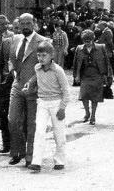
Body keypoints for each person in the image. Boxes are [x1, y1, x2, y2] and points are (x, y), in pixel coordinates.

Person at [8, 13, 47, 166]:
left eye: (28, 23)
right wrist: (12, 71)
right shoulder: (15, 39)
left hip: (34, 88)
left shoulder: (43, 42)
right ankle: (18, 151)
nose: (25, 26)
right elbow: (11, 59)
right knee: (13, 119)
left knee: (32, 124)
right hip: (17, 85)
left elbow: (46, 66)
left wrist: (33, 81)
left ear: (34, 23)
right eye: (22, 23)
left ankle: (30, 156)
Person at [25, 41, 70, 172]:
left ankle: (60, 160)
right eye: (39, 55)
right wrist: (29, 84)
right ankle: (36, 161)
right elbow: (35, 78)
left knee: (59, 133)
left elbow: (66, 91)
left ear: (52, 55)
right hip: (42, 103)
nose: (41, 58)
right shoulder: (37, 68)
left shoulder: (58, 70)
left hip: (56, 103)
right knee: (39, 131)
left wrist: (62, 108)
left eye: (44, 55)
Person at [72, 29, 113, 125]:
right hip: (85, 75)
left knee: (95, 97)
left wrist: (108, 76)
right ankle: (87, 113)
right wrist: (76, 75)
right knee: (84, 96)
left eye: (89, 41)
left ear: (93, 39)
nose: (87, 43)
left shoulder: (101, 47)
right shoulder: (79, 48)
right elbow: (76, 63)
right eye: (85, 41)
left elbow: (107, 63)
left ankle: (93, 116)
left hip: (97, 75)